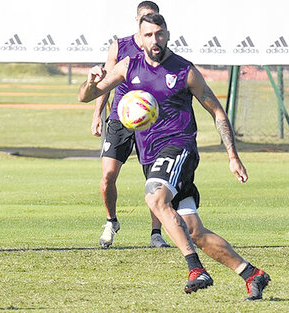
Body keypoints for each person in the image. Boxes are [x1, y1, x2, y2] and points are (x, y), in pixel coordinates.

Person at [78, 13, 270, 300]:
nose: (155, 40)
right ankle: (251, 274)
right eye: (148, 35)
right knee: (194, 231)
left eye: (159, 34)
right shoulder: (129, 66)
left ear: (167, 34)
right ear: (139, 38)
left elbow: (217, 112)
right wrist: (91, 82)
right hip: (151, 155)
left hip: (179, 148)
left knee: (155, 197)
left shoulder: (184, 71)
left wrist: (232, 155)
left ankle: (195, 269)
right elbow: (86, 96)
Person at [92, 1, 169, 249]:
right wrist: (97, 115)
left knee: (154, 180)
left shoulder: (159, 49)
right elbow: (106, 81)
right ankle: (110, 221)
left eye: (153, 17)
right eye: (144, 17)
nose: (148, 21)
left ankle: (156, 233)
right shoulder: (121, 46)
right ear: (137, 20)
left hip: (150, 122)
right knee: (107, 177)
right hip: (119, 119)